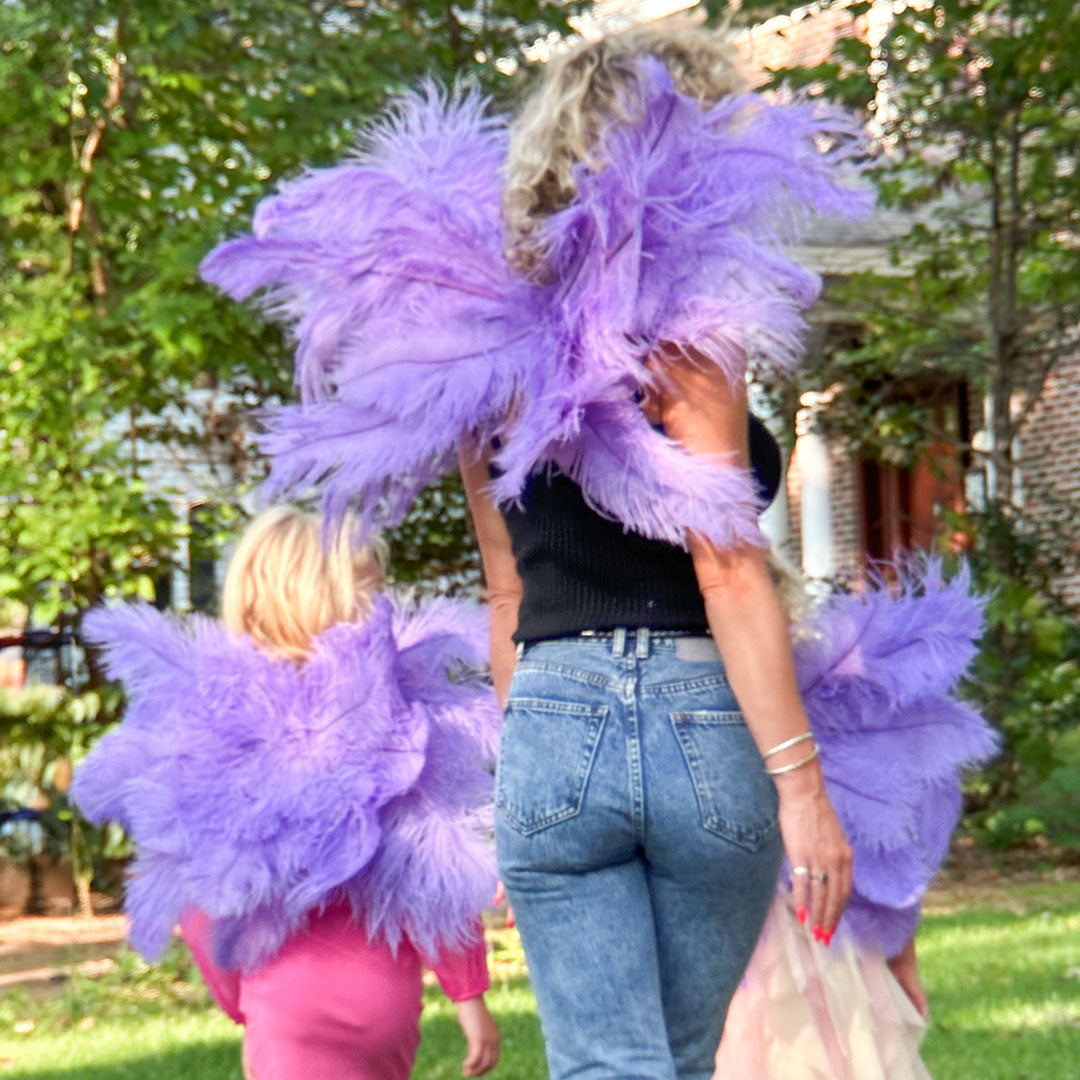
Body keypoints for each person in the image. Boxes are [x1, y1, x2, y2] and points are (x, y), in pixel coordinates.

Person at [198, 18, 873, 1078]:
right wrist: (804, 792)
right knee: (675, 1067)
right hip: (704, 717)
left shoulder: (488, 351)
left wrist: (531, 773)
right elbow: (729, 566)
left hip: (552, 719)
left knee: (609, 1066)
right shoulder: (693, 341)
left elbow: (506, 593)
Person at [72, 507, 501, 1080]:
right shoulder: (392, 725)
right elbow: (434, 870)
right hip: (385, 1000)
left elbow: (202, 896)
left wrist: (234, 991)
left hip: (282, 999)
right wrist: (469, 996)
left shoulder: (223, 731)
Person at [712, 560, 998, 1079]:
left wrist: (899, 953)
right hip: (780, 943)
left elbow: (879, 850)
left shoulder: (821, 718)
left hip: (814, 937)